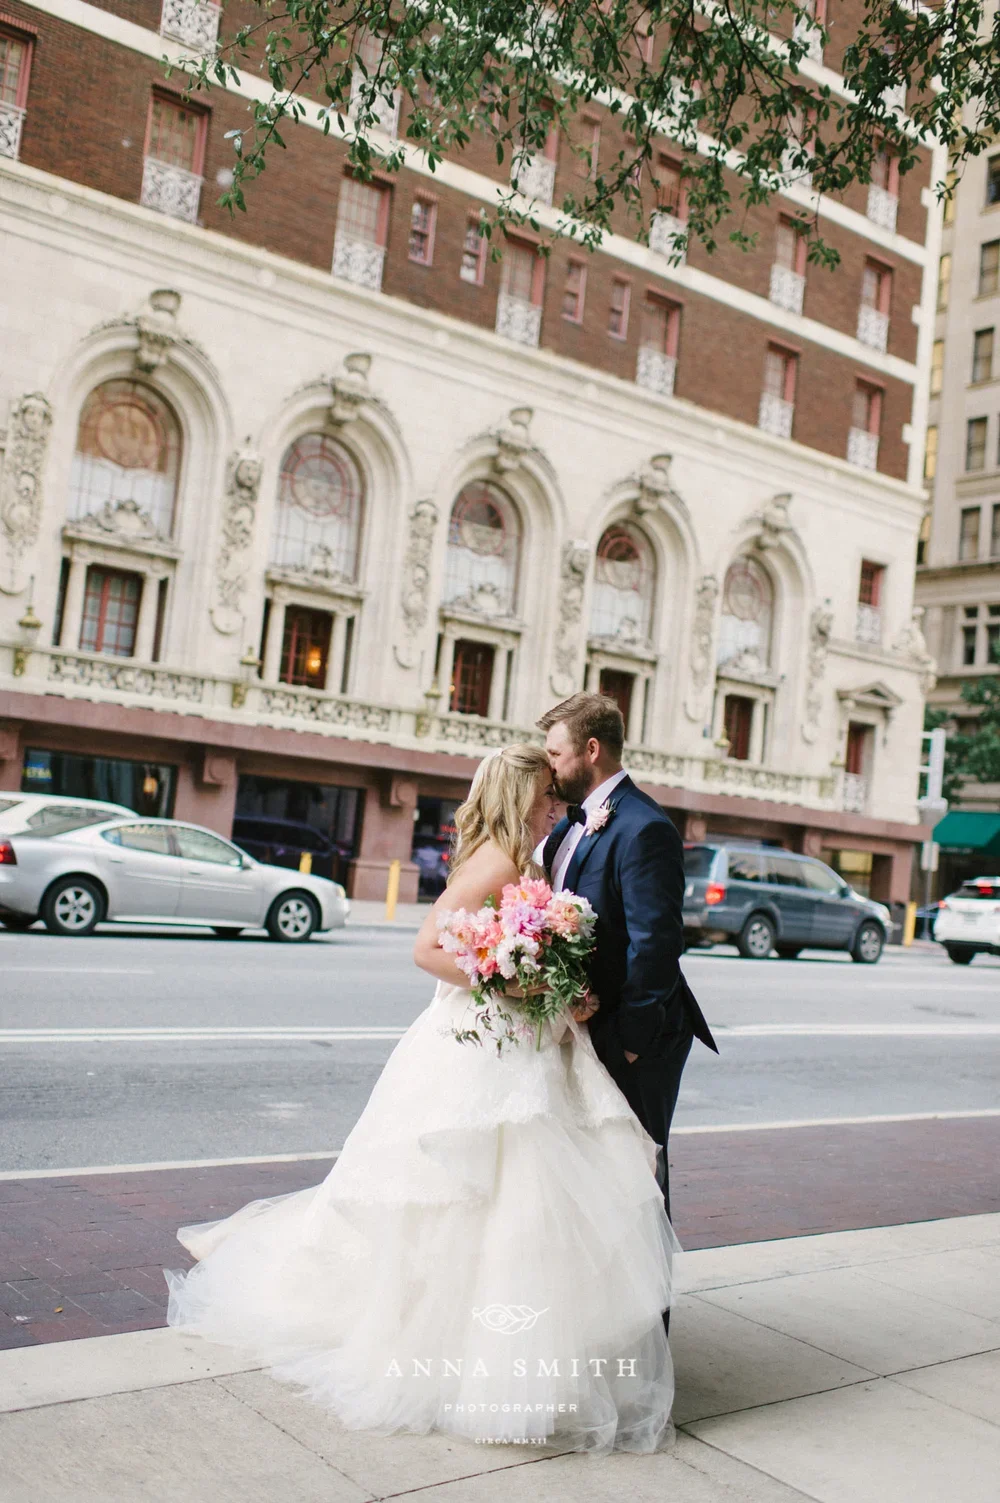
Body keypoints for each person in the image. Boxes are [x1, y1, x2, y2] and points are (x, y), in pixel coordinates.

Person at [165, 743, 680, 1455]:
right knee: (479, 1194)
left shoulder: (524, 858)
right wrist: (515, 983)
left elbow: (510, 943)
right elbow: (428, 950)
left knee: (515, 1200)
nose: (554, 807)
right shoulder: (498, 860)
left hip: (519, 1040)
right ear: (517, 798)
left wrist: (557, 986)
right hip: (483, 1044)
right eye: (544, 797)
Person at [538, 693, 718, 1228]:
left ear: (591, 750)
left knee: (637, 1175)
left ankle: (650, 1308)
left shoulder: (645, 828)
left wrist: (631, 1043)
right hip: (586, 1026)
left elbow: (656, 945)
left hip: (638, 1037)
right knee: (595, 1174)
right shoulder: (571, 825)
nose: (549, 767)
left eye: (555, 754)